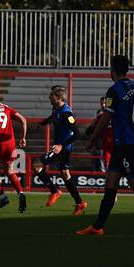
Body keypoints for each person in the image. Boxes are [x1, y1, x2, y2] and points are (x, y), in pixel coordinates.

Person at [76, 55, 134, 237]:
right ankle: (97, 227)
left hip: (126, 144)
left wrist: (92, 139)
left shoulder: (114, 90)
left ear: (114, 70)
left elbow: (106, 118)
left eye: (110, 68)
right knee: (110, 184)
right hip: (125, 144)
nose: (109, 71)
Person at [33, 86, 86, 214]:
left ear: (57, 98)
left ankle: (54, 191)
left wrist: (62, 145)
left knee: (36, 165)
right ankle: (80, 203)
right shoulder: (56, 108)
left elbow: (77, 133)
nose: (49, 98)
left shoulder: (66, 113)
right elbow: (53, 117)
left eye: (51, 96)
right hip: (60, 147)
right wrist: (43, 123)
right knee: (65, 175)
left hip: (63, 148)